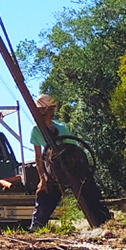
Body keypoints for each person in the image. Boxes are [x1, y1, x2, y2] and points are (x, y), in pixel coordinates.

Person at [30, 94, 111, 230]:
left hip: (73, 168)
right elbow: (38, 158)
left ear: (50, 110)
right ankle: (36, 227)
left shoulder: (62, 128)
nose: (41, 114)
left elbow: (73, 149)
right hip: (54, 170)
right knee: (44, 194)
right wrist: (43, 179)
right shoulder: (36, 131)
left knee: (90, 192)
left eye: (43, 111)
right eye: (38, 111)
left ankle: (103, 223)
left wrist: (76, 169)